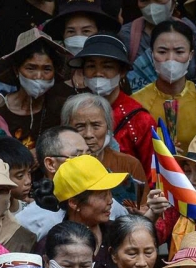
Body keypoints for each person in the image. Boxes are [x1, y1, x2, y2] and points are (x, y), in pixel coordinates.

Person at [66, 34, 158, 168]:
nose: (98, 73)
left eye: (107, 66)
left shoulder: (140, 119)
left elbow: (152, 172)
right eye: (91, 66)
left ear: (122, 72)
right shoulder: (74, 111)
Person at [132, 20, 196, 154]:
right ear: (152, 54)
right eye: (162, 52)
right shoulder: (135, 104)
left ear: (191, 55)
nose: (171, 59)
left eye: (179, 52)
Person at [62, 92, 148, 212]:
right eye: (80, 126)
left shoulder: (129, 164)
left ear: (108, 127)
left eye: (96, 125)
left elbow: (144, 208)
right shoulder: (61, 164)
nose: (88, 134)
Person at [0, 29, 74, 152]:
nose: (39, 76)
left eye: (47, 69)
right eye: (31, 68)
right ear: (16, 70)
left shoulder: (62, 108)